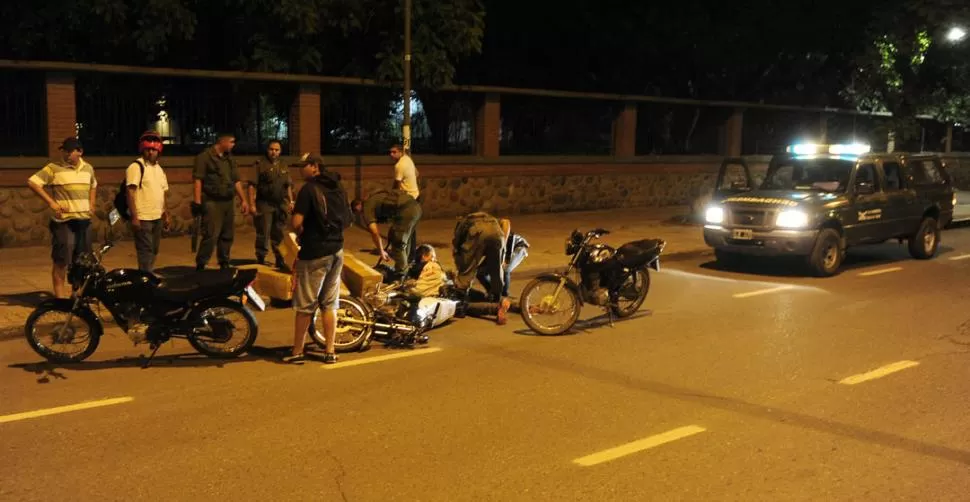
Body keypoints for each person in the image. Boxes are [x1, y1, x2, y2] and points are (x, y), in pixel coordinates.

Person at [283, 154, 350, 365]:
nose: (301, 170)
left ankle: (297, 351)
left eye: (304, 166)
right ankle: (330, 350)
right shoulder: (337, 186)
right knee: (330, 304)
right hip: (337, 249)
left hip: (314, 253)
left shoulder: (308, 189)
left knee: (305, 304)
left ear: (315, 167)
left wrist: (296, 218)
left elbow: (296, 223)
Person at [27, 137, 98, 298]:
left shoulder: (88, 168)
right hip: (63, 222)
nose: (65, 154)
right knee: (62, 259)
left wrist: (92, 204)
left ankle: (76, 294)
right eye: (64, 150)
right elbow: (33, 182)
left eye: (69, 151)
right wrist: (52, 203)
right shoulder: (54, 168)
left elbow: (93, 185)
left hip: (84, 221)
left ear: (79, 152)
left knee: (82, 260)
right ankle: (59, 299)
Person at [192, 131, 250, 271]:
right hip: (212, 201)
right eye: (231, 142)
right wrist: (197, 202)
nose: (233, 145)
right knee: (211, 234)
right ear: (222, 142)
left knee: (227, 234)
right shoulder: (204, 157)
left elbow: (236, 180)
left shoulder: (230, 159)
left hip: (227, 201)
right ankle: (201, 264)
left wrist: (244, 200)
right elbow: (198, 180)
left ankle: (224, 261)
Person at [125, 130, 170, 273]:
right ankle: (145, 279)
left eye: (153, 150)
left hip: (157, 216)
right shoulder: (136, 167)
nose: (151, 153)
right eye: (148, 149)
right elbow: (130, 193)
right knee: (146, 251)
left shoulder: (159, 169)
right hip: (143, 217)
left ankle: (148, 275)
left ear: (159, 151)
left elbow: (162, 192)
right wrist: (134, 217)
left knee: (154, 250)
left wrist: (165, 213)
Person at [351, 189, 422, 278]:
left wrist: (381, 251)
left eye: (358, 213)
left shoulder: (366, 207)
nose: (361, 215)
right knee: (405, 240)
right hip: (415, 207)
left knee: (398, 243)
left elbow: (375, 233)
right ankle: (407, 268)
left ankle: (401, 276)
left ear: (358, 207)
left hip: (406, 212)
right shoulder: (374, 197)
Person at [248, 139, 293, 269]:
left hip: (280, 204)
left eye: (276, 150)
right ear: (267, 150)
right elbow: (252, 185)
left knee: (279, 233)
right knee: (264, 232)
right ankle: (261, 258)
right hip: (265, 203)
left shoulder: (284, 165)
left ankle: (280, 258)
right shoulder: (260, 164)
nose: (274, 152)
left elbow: (288, 185)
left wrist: (291, 201)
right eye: (271, 149)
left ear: (280, 151)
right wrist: (251, 204)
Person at [477, 219, 530, 298]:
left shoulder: (498, 231)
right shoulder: (480, 238)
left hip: (517, 247)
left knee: (505, 269)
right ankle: (493, 292)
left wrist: (506, 259)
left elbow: (509, 240)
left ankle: (504, 295)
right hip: (498, 251)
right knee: (480, 272)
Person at [390, 144, 421, 260]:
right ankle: (411, 253)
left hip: (407, 199)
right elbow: (417, 174)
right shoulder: (408, 159)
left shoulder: (399, 165)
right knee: (412, 227)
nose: (391, 155)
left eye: (394, 152)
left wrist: (392, 195)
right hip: (415, 195)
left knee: (404, 227)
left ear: (400, 152)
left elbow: (397, 184)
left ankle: (406, 254)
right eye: (390, 152)